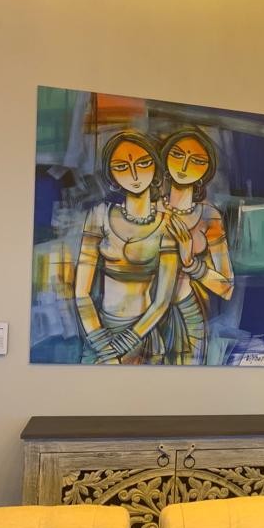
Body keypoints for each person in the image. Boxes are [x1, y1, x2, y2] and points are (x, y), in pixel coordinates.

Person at [74, 132, 179, 364]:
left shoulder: (167, 224)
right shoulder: (99, 215)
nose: (134, 174)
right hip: (99, 332)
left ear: (156, 167)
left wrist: (123, 346)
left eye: (143, 163)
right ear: (111, 174)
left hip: (143, 333)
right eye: (122, 167)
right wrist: (103, 347)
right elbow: (81, 293)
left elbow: (162, 302)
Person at [157, 128, 235, 365]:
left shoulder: (209, 216)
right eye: (178, 155)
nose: (184, 166)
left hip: (190, 313)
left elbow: (226, 286)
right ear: (166, 158)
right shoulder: (149, 210)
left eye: (196, 161)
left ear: (206, 171)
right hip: (145, 314)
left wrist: (190, 264)